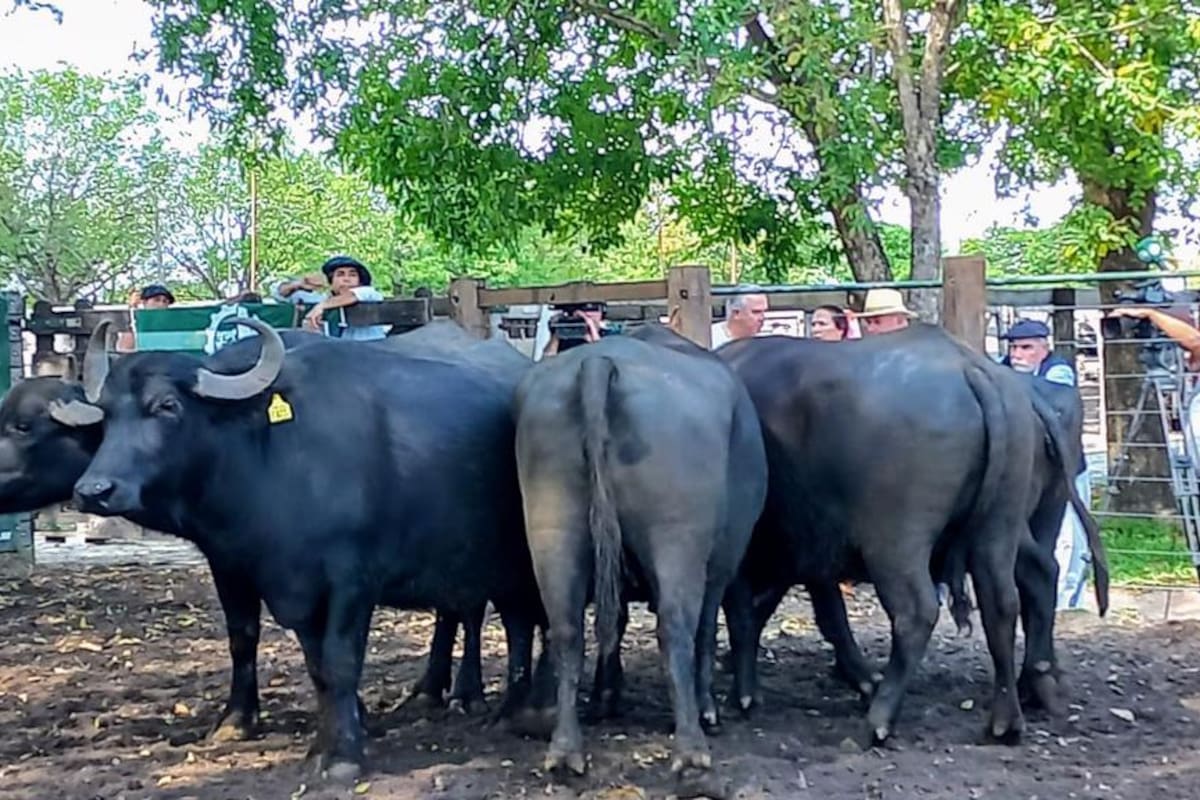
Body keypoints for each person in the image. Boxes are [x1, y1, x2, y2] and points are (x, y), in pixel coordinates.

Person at [1001, 318, 1092, 611]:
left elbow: (1057, 407)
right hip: (1025, 471)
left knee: (1070, 539)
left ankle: (1068, 602)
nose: (1017, 354)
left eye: (1026, 348)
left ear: (1044, 347)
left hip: (1065, 469)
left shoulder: (1058, 373)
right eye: (1014, 347)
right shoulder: (1002, 369)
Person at [273, 255, 389, 341]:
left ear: (360, 281)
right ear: (331, 282)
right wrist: (299, 284)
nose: (346, 279)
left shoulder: (369, 294)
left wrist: (321, 307)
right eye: (340, 274)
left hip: (371, 356)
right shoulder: (322, 299)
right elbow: (279, 294)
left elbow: (353, 296)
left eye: (352, 275)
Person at [116, 284, 176, 352]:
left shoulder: (173, 326)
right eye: (157, 300)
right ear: (144, 302)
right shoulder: (135, 325)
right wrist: (131, 311)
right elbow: (124, 351)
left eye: (165, 301)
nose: (161, 304)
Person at [541, 301, 612, 357]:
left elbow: (603, 358)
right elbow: (548, 359)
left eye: (594, 309)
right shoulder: (568, 335)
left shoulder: (609, 336)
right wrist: (557, 333)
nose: (589, 314)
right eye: (584, 309)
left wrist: (592, 330)